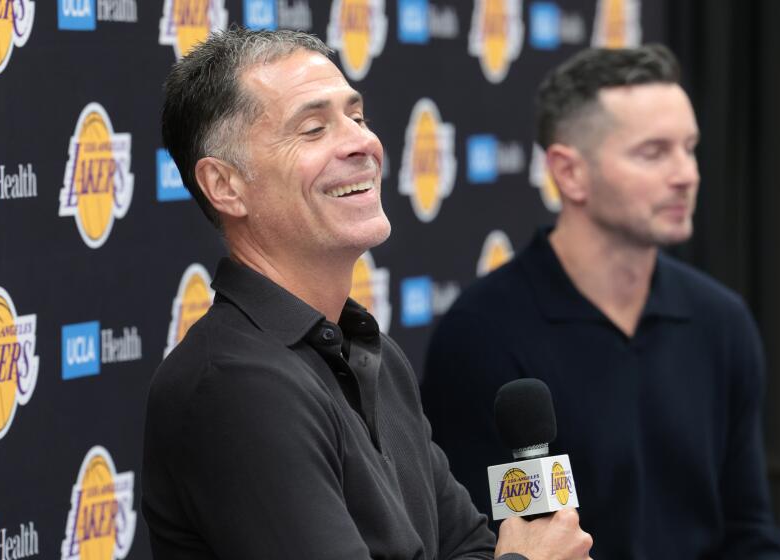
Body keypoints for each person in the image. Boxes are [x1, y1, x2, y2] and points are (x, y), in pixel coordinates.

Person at [142, 27, 592, 560]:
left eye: (356, 118)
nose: (362, 142)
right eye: (312, 129)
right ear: (225, 185)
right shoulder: (234, 384)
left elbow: (467, 546)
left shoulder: (368, 350)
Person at [421, 44, 780, 559]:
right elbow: (492, 544)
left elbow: (749, 528)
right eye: (654, 152)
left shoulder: (720, 320)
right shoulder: (485, 334)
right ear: (570, 173)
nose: (687, 174)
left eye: (690, 147)